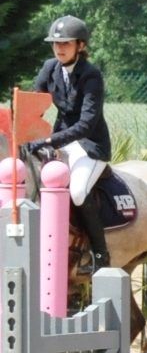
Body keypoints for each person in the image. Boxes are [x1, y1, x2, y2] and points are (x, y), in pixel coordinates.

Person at [24, 15, 112, 272]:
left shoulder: (91, 75)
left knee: (77, 191)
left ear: (81, 46)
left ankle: (99, 255)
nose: (59, 48)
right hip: (62, 141)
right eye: (55, 43)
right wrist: (24, 131)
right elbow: (34, 105)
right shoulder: (50, 68)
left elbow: (85, 124)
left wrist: (49, 140)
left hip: (90, 145)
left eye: (66, 43)